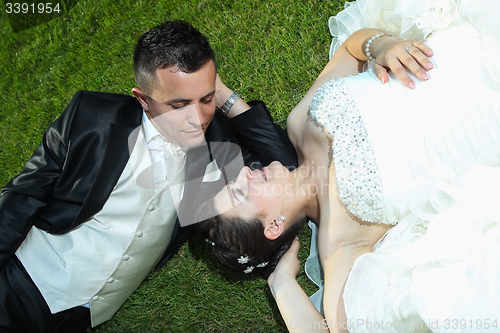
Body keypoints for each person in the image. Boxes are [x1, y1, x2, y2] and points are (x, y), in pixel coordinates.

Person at [200, 0, 500, 331]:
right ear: (273, 225)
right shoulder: (339, 242)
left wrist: (382, 46)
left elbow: (351, 51)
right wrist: (281, 282)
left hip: (467, 48)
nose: (244, 172)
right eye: (241, 191)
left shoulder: (299, 124)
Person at [0, 20, 297, 332]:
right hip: (22, 284)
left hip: (88, 317)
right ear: (143, 99)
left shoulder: (218, 145)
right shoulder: (91, 117)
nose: (197, 119)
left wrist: (223, 96)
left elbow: (288, 169)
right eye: (179, 104)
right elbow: (22, 197)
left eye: (205, 99)